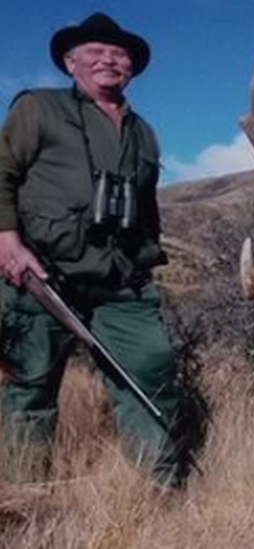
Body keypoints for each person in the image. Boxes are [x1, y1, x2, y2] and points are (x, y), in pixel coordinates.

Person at [0, 13, 188, 488]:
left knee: (152, 373)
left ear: (132, 68)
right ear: (70, 62)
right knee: (30, 389)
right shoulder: (37, 109)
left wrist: (147, 266)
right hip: (38, 275)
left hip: (121, 283)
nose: (108, 58)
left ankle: (159, 489)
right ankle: (21, 496)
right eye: (94, 51)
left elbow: (147, 210)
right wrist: (8, 242)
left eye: (119, 53)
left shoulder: (144, 134)